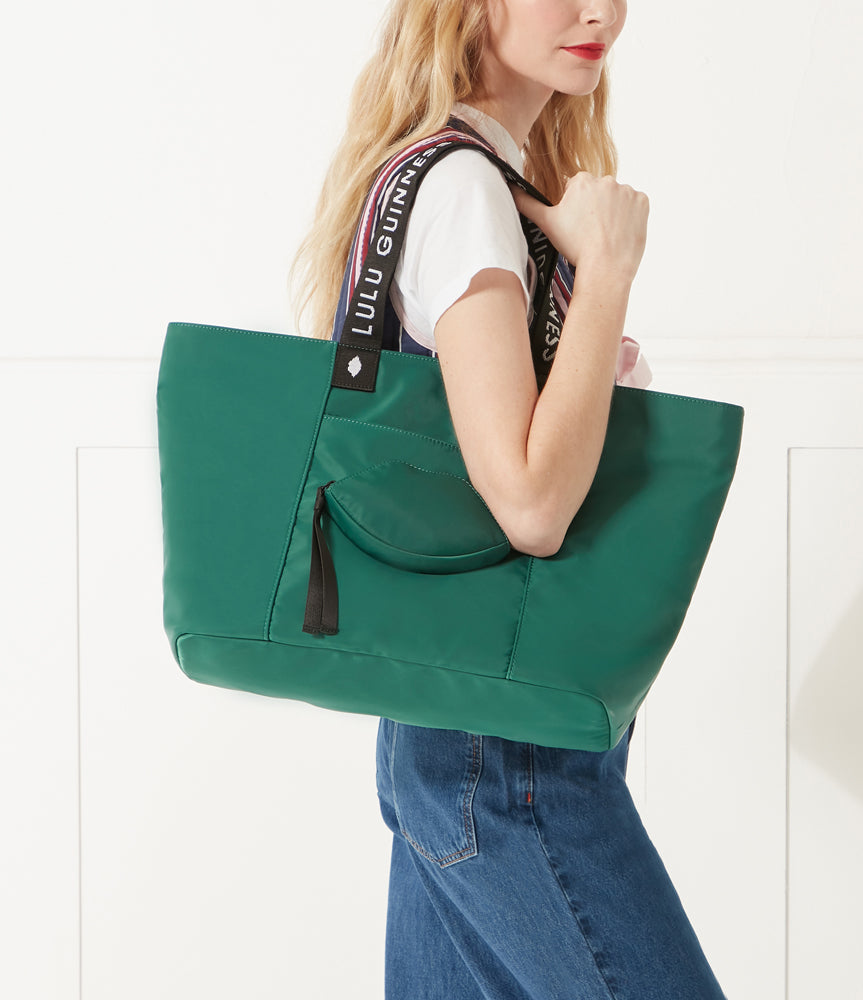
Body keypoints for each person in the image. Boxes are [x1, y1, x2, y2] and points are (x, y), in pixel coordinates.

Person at [293, 1, 726, 997]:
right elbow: (529, 503)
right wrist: (608, 269)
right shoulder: (460, 189)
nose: (599, 11)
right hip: (509, 768)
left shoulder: (470, 180)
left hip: (458, 754)